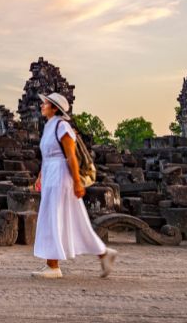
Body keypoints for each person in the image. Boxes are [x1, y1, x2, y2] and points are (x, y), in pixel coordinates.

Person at [31, 92, 117, 279]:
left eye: (45, 103)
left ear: (55, 108)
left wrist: (77, 182)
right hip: (51, 175)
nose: (41, 105)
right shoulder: (48, 126)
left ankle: (53, 266)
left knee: (53, 218)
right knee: (75, 221)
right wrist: (40, 175)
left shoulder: (63, 127)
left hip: (62, 178)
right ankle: (103, 253)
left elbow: (71, 156)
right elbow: (48, 155)